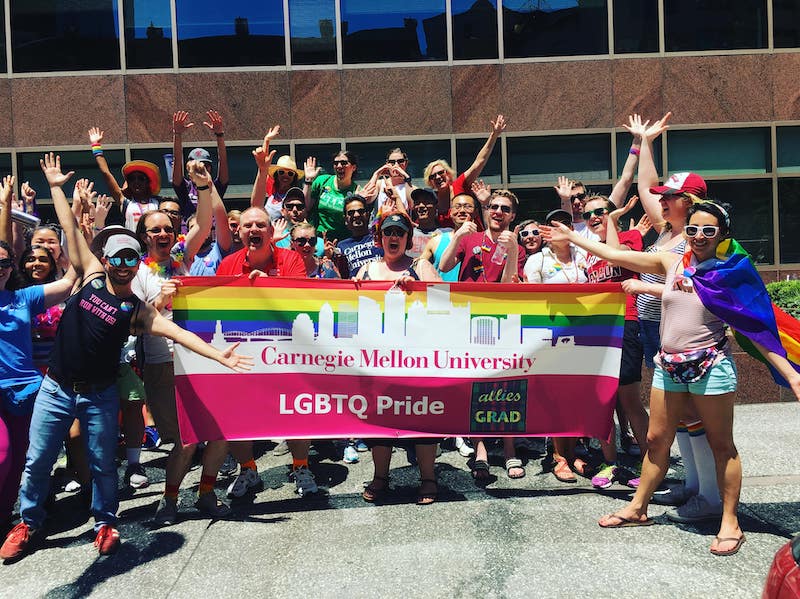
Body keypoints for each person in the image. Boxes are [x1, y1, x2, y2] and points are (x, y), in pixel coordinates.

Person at [0, 153, 251, 562]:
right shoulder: (90, 277)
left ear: (136, 263)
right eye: (115, 257)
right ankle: (28, 522)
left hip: (99, 395)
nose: (121, 265)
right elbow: (67, 226)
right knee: (38, 459)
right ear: (106, 259)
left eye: (129, 258)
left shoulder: (137, 309)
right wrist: (56, 187)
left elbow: (179, 333)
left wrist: (220, 356)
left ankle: (104, 523)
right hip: (55, 389)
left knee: (102, 465)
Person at [546, 200, 800, 556]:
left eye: (708, 231)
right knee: (656, 438)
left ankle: (730, 522)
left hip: (710, 367)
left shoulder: (728, 274)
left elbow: (756, 327)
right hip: (669, 366)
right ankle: (638, 508)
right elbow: (617, 257)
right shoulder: (672, 262)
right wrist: (574, 236)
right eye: (692, 229)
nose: (698, 236)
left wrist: (792, 376)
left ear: (723, 234)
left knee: (722, 446)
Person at [620, 112, 721, 517]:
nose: (661, 199)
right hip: (654, 329)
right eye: (663, 196)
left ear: (690, 203)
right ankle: (693, 486)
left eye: (670, 196)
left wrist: (645, 286)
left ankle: (709, 496)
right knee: (679, 412)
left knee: (693, 413)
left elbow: (694, 293)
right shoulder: (667, 230)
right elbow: (645, 184)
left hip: (682, 334)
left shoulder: (696, 240)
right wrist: (645, 141)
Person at [214, 207, 320, 499]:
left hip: (286, 352)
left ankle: (300, 466)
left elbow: (302, 299)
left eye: (261, 224)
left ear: (271, 233)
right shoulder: (227, 265)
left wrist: (269, 286)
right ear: (239, 232)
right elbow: (216, 307)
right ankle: (247, 469)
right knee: (238, 415)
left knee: (296, 411)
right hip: (245, 353)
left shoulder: (291, 258)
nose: (254, 229)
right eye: (247, 225)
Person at [0, 173, 77, 536]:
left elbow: (69, 280)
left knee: (21, 461)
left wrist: (74, 220)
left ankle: (7, 518)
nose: (0, 268)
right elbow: (9, 245)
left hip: (28, 389)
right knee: (1, 455)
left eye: (4, 264)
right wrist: (5, 207)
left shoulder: (22, 298)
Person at [437, 189, 526, 480]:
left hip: (502, 322)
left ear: (513, 215)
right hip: (468, 320)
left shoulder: (517, 245)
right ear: (485, 211)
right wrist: (459, 236)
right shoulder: (471, 238)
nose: (498, 211)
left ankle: (510, 449)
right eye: (493, 206)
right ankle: (481, 449)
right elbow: (444, 265)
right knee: (476, 384)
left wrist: (512, 251)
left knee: (506, 384)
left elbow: (509, 285)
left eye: (505, 208)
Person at [356, 211, 443, 505]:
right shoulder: (367, 270)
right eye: (388, 232)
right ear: (380, 237)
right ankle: (381, 477)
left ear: (408, 238)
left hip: (417, 359)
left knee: (421, 417)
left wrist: (418, 288)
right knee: (380, 420)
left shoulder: (421, 265)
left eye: (400, 232)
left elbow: (446, 300)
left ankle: (428, 478)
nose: (393, 237)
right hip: (377, 360)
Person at [524, 209, 589, 482]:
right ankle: (558, 456)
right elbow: (532, 300)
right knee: (556, 396)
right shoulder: (537, 260)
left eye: (564, 223)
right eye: (553, 225)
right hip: (551, 336)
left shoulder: (583, 256)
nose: (559, 228)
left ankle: (574, 451)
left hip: (586, 335)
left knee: (577, 395)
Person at [424, 115, 506, 225]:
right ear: (430, 182)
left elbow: (479, 162)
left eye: (440, 173)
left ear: (448, 174)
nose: (438, 177)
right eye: (432, 176)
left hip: (474, 238)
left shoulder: (460, 184)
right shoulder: (432, 202)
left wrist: (494, 135)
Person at [88, 127, 161, 231]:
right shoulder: (125, 202)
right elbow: (106, 173)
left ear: (148, 182)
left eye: (141, 178)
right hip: (132, 245)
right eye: (131, 179)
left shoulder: (158, 202)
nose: (136, 182)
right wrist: (96, 146)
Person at [171, 110, 230, 218]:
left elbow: (223, 160)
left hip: (213, 233)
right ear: (189, 172)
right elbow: (177, 159)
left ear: (210, 169)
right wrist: (177, 134)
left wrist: (219, 135)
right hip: (189, 233)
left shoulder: (215, 188)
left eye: (205, 165)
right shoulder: (185, 188)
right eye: (196, 166)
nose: (201, 168)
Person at [419, 191, 480, 282]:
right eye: (457, 207)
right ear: (450, 212)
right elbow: (419, 265)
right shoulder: (436, 241)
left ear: (475, 212)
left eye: (467, 206)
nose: (462, 210)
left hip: (470, 294)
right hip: (441, 293)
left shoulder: (482, 241)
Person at [304, 151, 360, 242]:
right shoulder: (322, 181)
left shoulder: (356, 191)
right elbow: (306, 206)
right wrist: (308, 180)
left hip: (342, 240)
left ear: (353, 167)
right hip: (318, 239)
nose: (339, 166)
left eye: (344, 163)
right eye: (335, 163)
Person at [336, 194, 384, 278]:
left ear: (368, 215)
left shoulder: (381, 238)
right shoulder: (341, 246)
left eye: (361, 211)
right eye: (351, 212)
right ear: (345, 219)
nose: (356, 215)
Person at [408, 187, 451, 258]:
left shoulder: (447, 234)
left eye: (426, 202)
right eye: (417, 203)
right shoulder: (406, 234)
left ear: (436, 206)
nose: (421, 206)